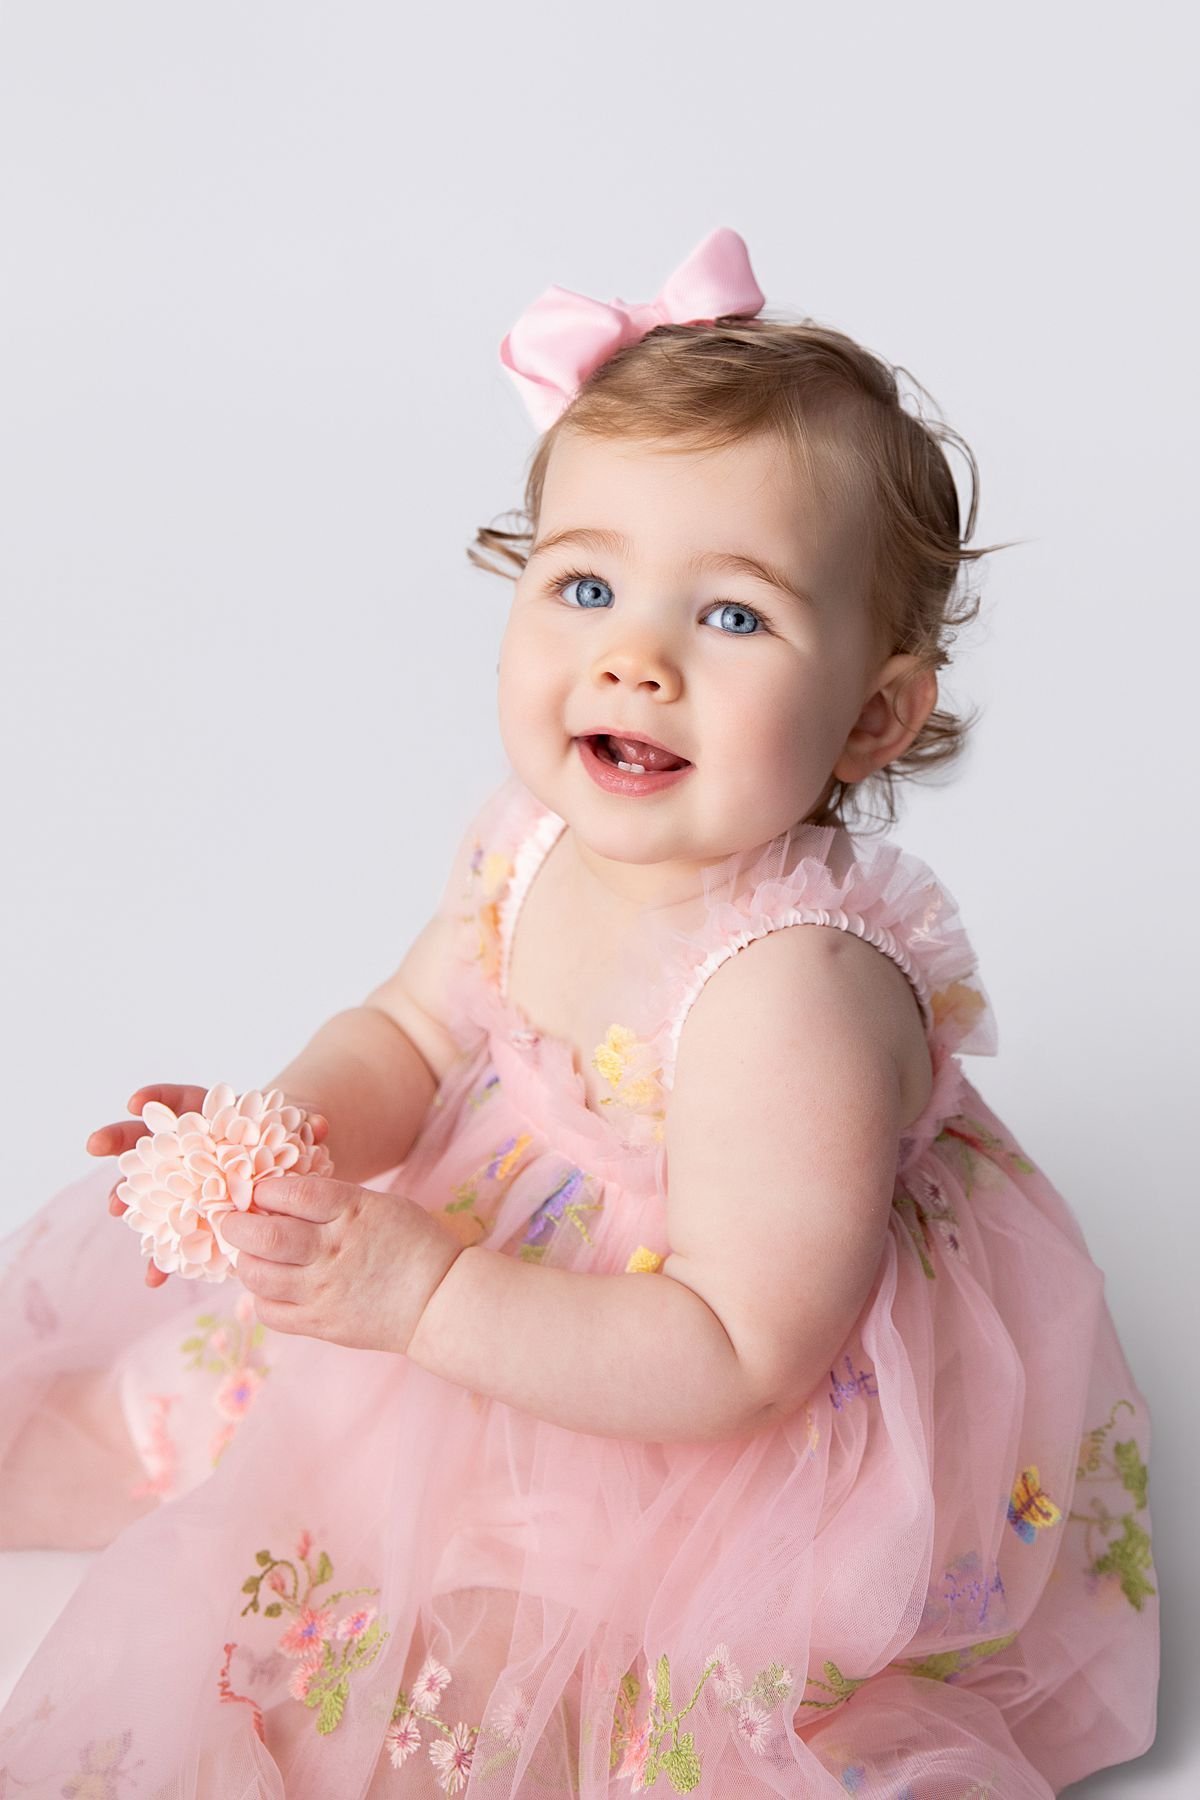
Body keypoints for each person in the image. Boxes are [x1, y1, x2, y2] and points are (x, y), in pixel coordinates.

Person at [0, 227, 1158, 1797]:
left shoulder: (791, 991)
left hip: (684, 1406)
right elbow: (412, 1029)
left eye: (732, 618)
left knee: (472, 1683)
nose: (638, 657)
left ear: (873, 717)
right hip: (479, 1282)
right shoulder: (530, 840)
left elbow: (738, 1347)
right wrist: (284, 1138)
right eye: (589, 584)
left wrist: (422, 1304)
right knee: (227, 1400)